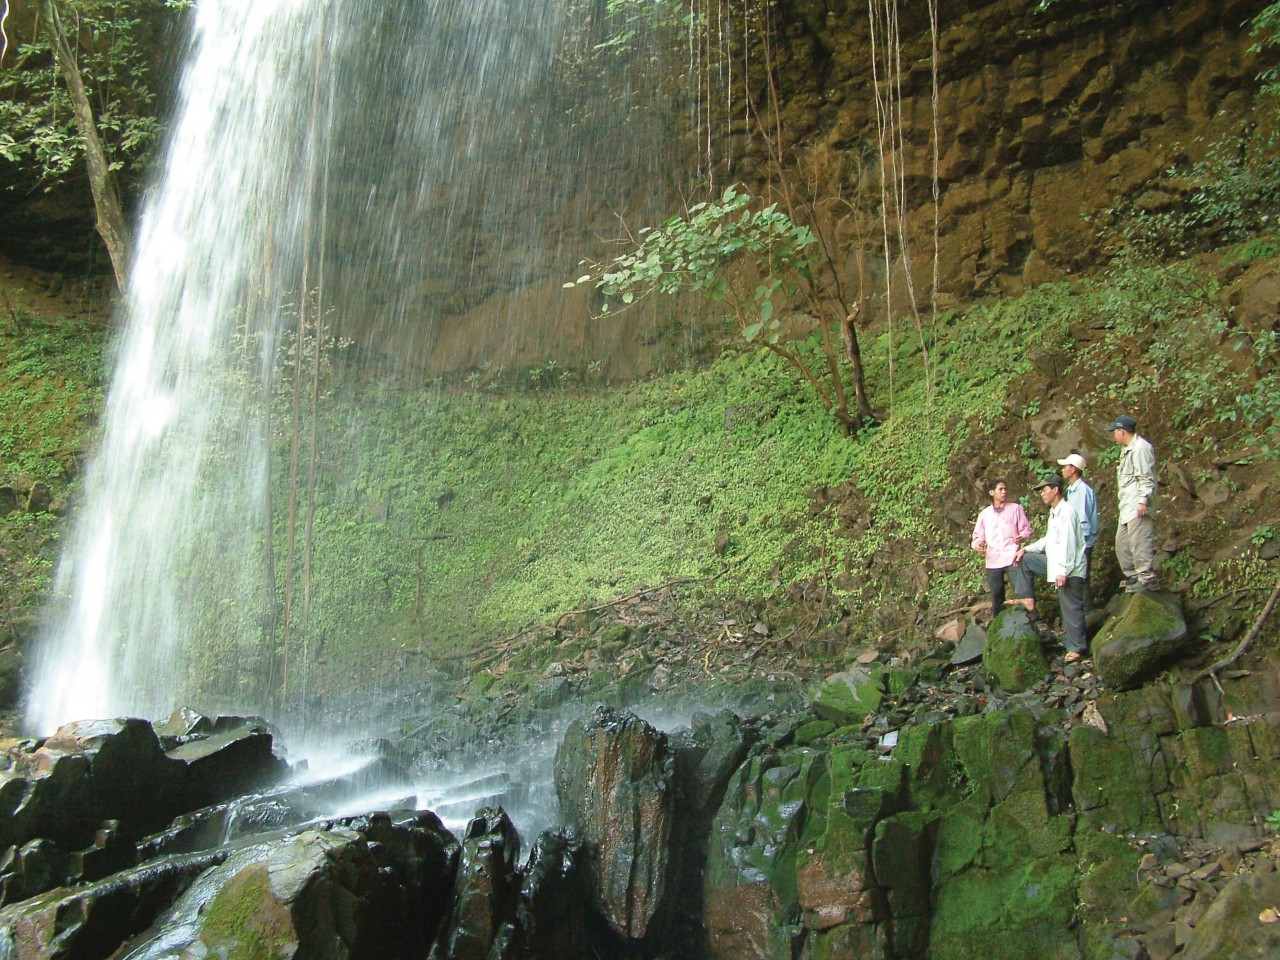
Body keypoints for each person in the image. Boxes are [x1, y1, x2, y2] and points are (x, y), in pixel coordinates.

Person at [1013, 475, 1089, 663]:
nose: (1042, 495)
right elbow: (1048, 540)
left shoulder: (1067, 512)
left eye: (1044, 490)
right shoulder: (1055, 513)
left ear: (1055, 490)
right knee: (1027, 560)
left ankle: (1078, 647)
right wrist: (1026, 548)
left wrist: (1063, 571)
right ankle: (1027, 598)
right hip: (1055, 562)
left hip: (1069, 568)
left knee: (1071, 606)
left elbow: (1069, 544)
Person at [1106, 415, 1159, 592]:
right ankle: (1133, 575)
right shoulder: (1127, 449)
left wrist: (1143, 501)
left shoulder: (1140, 448)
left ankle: (1147, 577)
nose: (1114, 435)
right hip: (1126, 506)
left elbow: (1145, 477)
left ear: (1122, 431)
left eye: (1115, 431)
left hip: (1137, 505)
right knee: (1122, 544)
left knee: (1139, 541)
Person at [971, 479, 1032, 619]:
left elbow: (1026, 530)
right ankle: (999, 626)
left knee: (1022, 591)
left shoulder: (1016, 509)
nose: (1004, 492)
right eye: (1000, 489)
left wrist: (1022, 536)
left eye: (1005, 489)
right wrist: (978, 545)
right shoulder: (985, 515)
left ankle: (1032, 622)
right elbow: (977, 537)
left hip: (1012, 557)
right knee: (997, 595)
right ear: (992, 492)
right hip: (993, 560)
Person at [1057, 453, 1098, 602]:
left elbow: (1082, 522)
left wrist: (1076, 545)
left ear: (1073, 469)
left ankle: (1086, 612)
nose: (1062, 470)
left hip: (1082, 543)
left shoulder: (1081, 491)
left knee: (1080, 577)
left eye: (1065, 467)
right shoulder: (1073, 489)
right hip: (1079, 542)